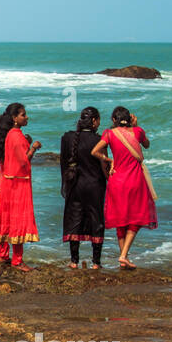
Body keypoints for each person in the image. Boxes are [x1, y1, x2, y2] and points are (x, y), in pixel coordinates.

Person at [90, 106, 157, 269]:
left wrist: (109, 160)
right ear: (130, 119)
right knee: (137, 217)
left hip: (117, 180)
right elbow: (147, 145)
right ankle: (123, 256)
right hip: (135, 180)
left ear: (114, 120)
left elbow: (94, 151)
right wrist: (136, 126)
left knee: (121, 220)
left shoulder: (109, 133)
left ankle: (123, 257)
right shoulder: (138, 131)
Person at [0, 102, 41, 269]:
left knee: (6, 218)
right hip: (18, 183)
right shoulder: (16, 136)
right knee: (18, 219)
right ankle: (17, 260)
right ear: (14, 118)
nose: (26, 117)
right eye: (23, 114)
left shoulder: (10, 135)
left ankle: (3, 255)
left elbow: (6, 160)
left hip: (8, 182)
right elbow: (24, 162)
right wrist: (34, 148)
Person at [60, 107, 107, 269]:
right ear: (94, 121)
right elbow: (104, 169)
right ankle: (96, 262)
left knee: (74, 220)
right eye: (98, 120)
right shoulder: (99, 140)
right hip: (95, 186)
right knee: (97, 221)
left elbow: (64, 165)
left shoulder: (67, 138)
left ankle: (74, 261)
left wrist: (65, 185)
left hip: (74, 185)